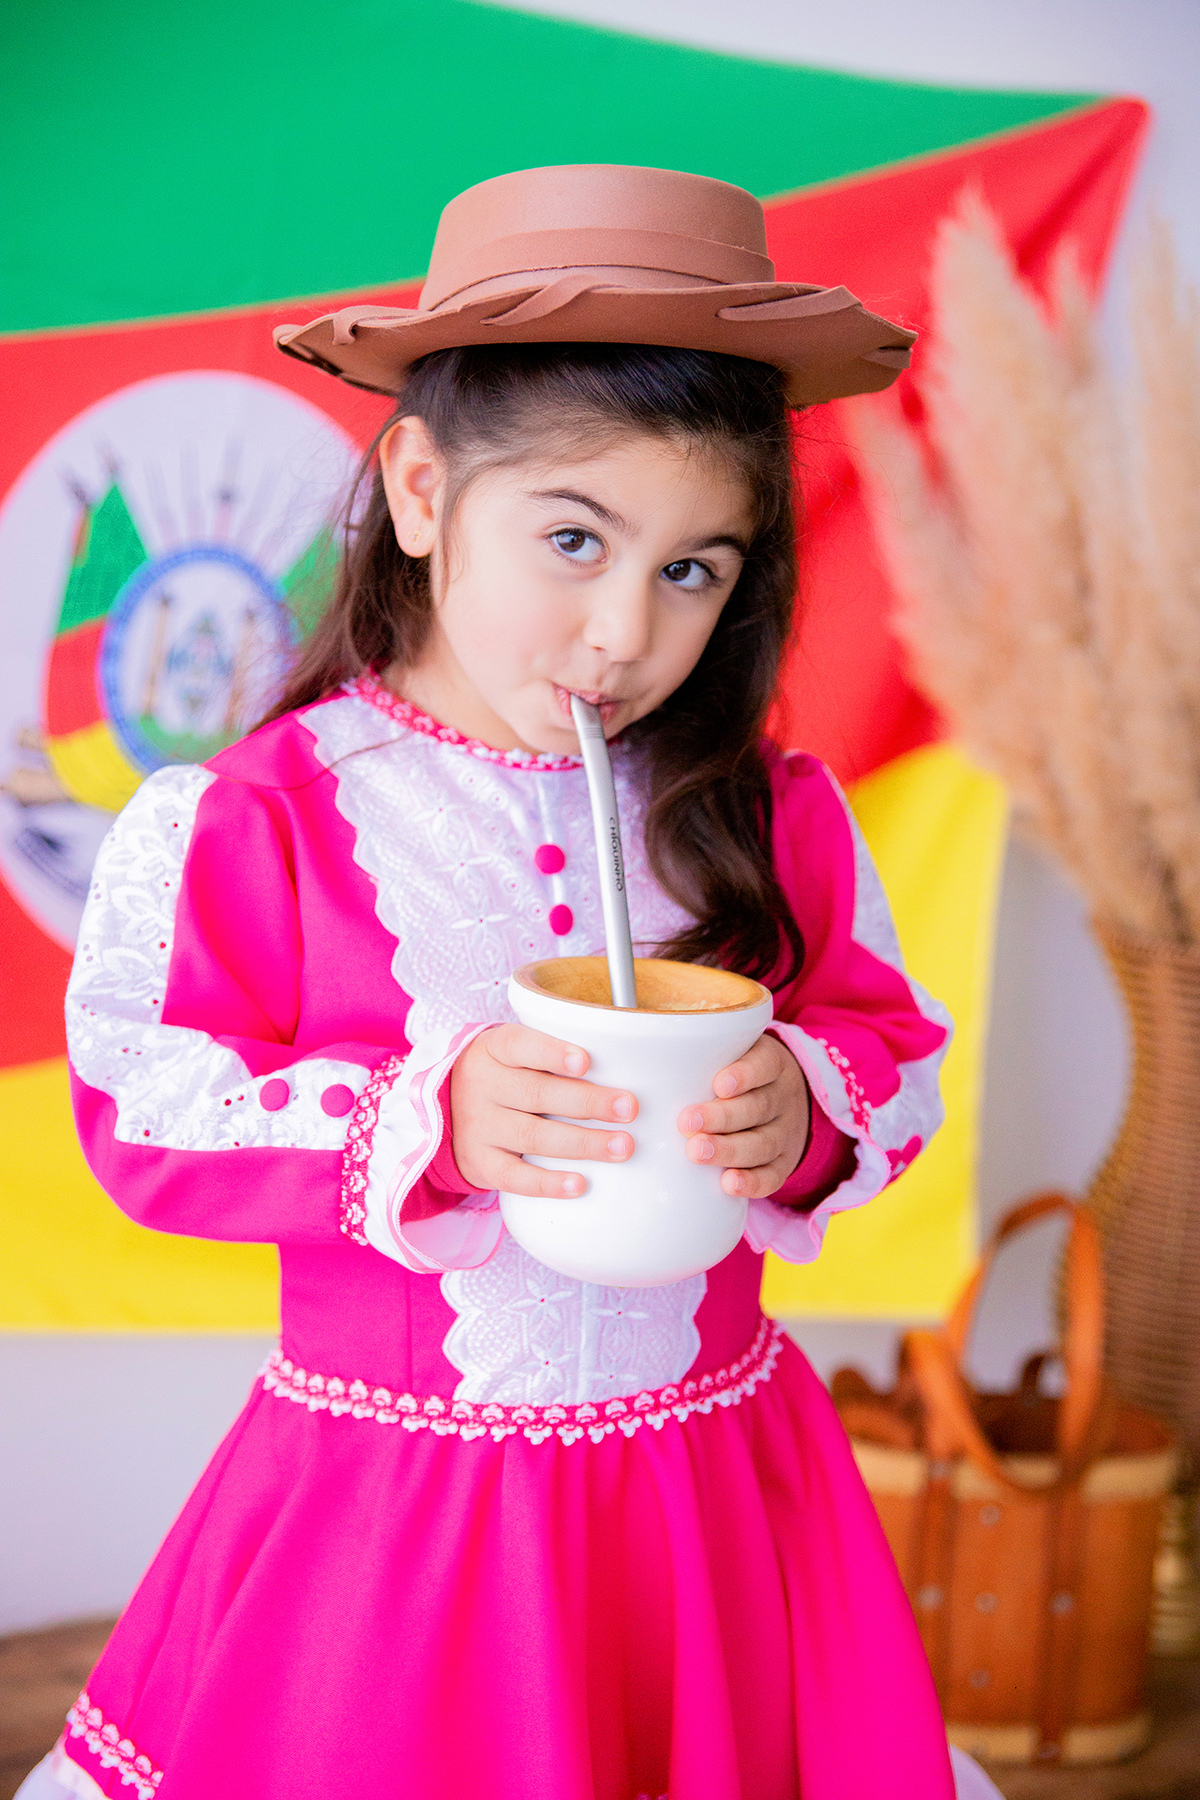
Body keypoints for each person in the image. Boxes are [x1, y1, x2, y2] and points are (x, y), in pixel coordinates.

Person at [22, 166, 1001, 1800]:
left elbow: (894, 1051)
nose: (625, 628)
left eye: (696, 568)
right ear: (418, 488)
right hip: (394, 1521)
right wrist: (433, 1116)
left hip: (719, 1501)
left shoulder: (765, 809)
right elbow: (143, 1103)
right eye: (572, 537)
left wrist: (806, 1103)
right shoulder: (257, 816)